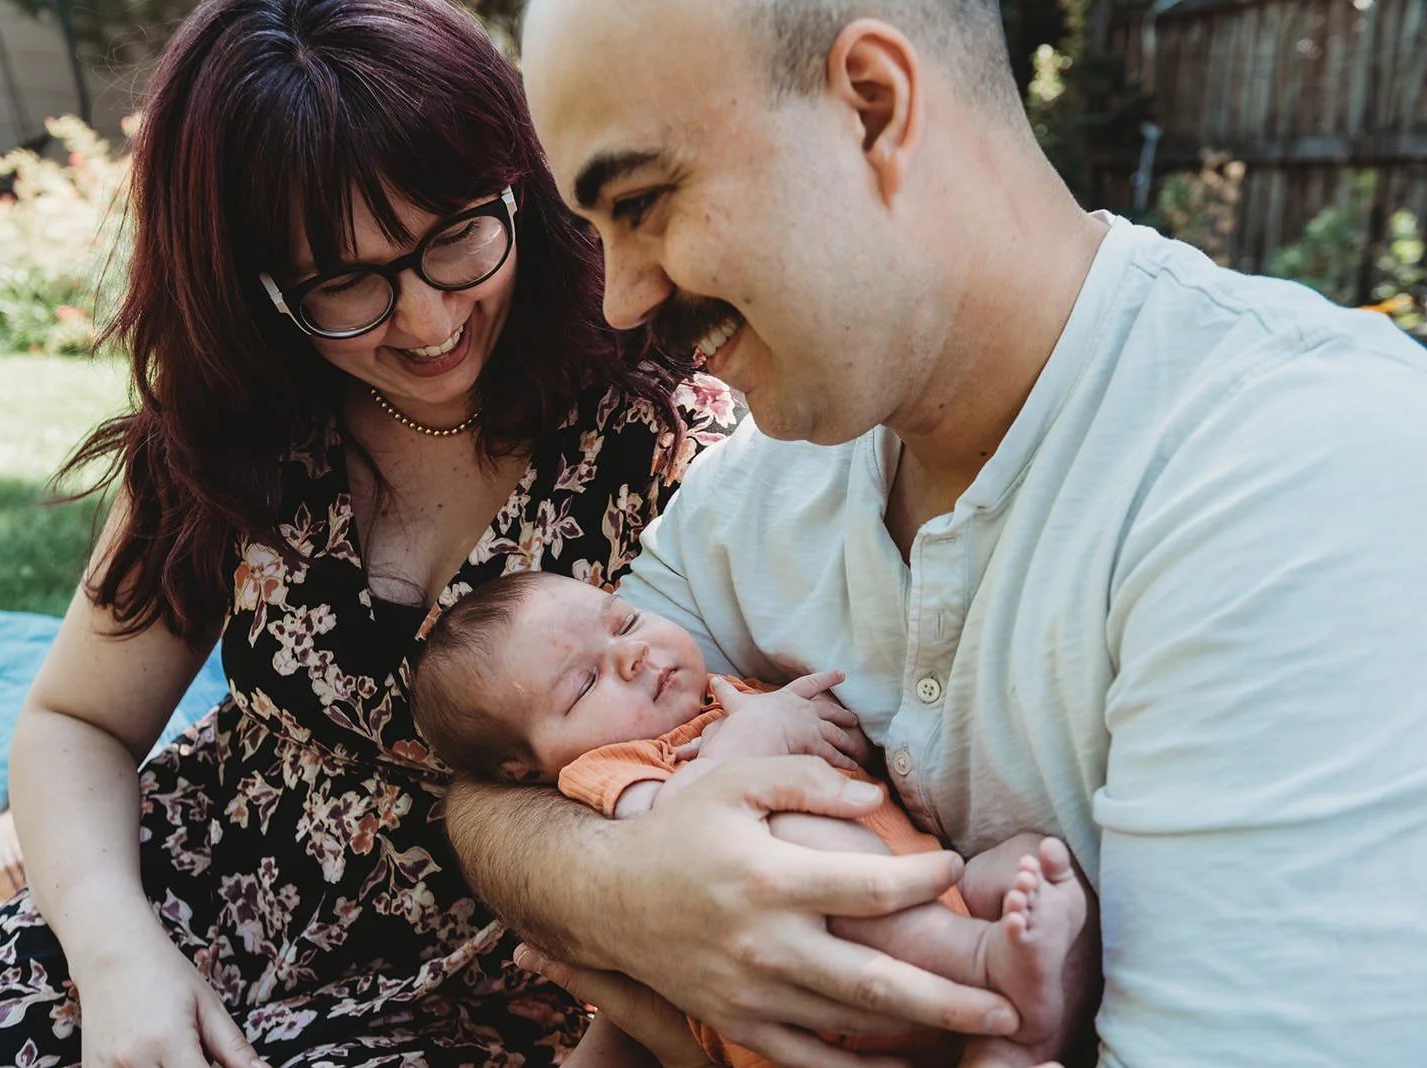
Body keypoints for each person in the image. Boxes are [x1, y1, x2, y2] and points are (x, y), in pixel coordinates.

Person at [443, 0, 1427, 1065]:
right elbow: (497, 795)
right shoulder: (764, 478)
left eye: (642, 201)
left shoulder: (1296, 471)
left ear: (871, 107)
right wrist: (635, 894)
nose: (622, 302)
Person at [0, 0, 733, 1062]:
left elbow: (705, 809)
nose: (430, 322)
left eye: (456, 238)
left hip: (479, 1005)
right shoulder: (237, 428)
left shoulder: (671, 437)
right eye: (344, 282)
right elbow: (79, 720)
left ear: (518, 188)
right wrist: (118, 959)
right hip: (184, 909)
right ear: (251, 286)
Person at [413, 570, 1092, 1068]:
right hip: (802, 978)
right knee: (793, 847)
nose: (633, 655)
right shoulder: (609, 771)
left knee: (1039, 865)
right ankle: (980, 962)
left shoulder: (732, 693)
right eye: (585, 684)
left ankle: (1017, 1043)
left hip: (936, 893)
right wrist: (760, 734)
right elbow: (683, 833)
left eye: (623, 622)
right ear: (525, 768)